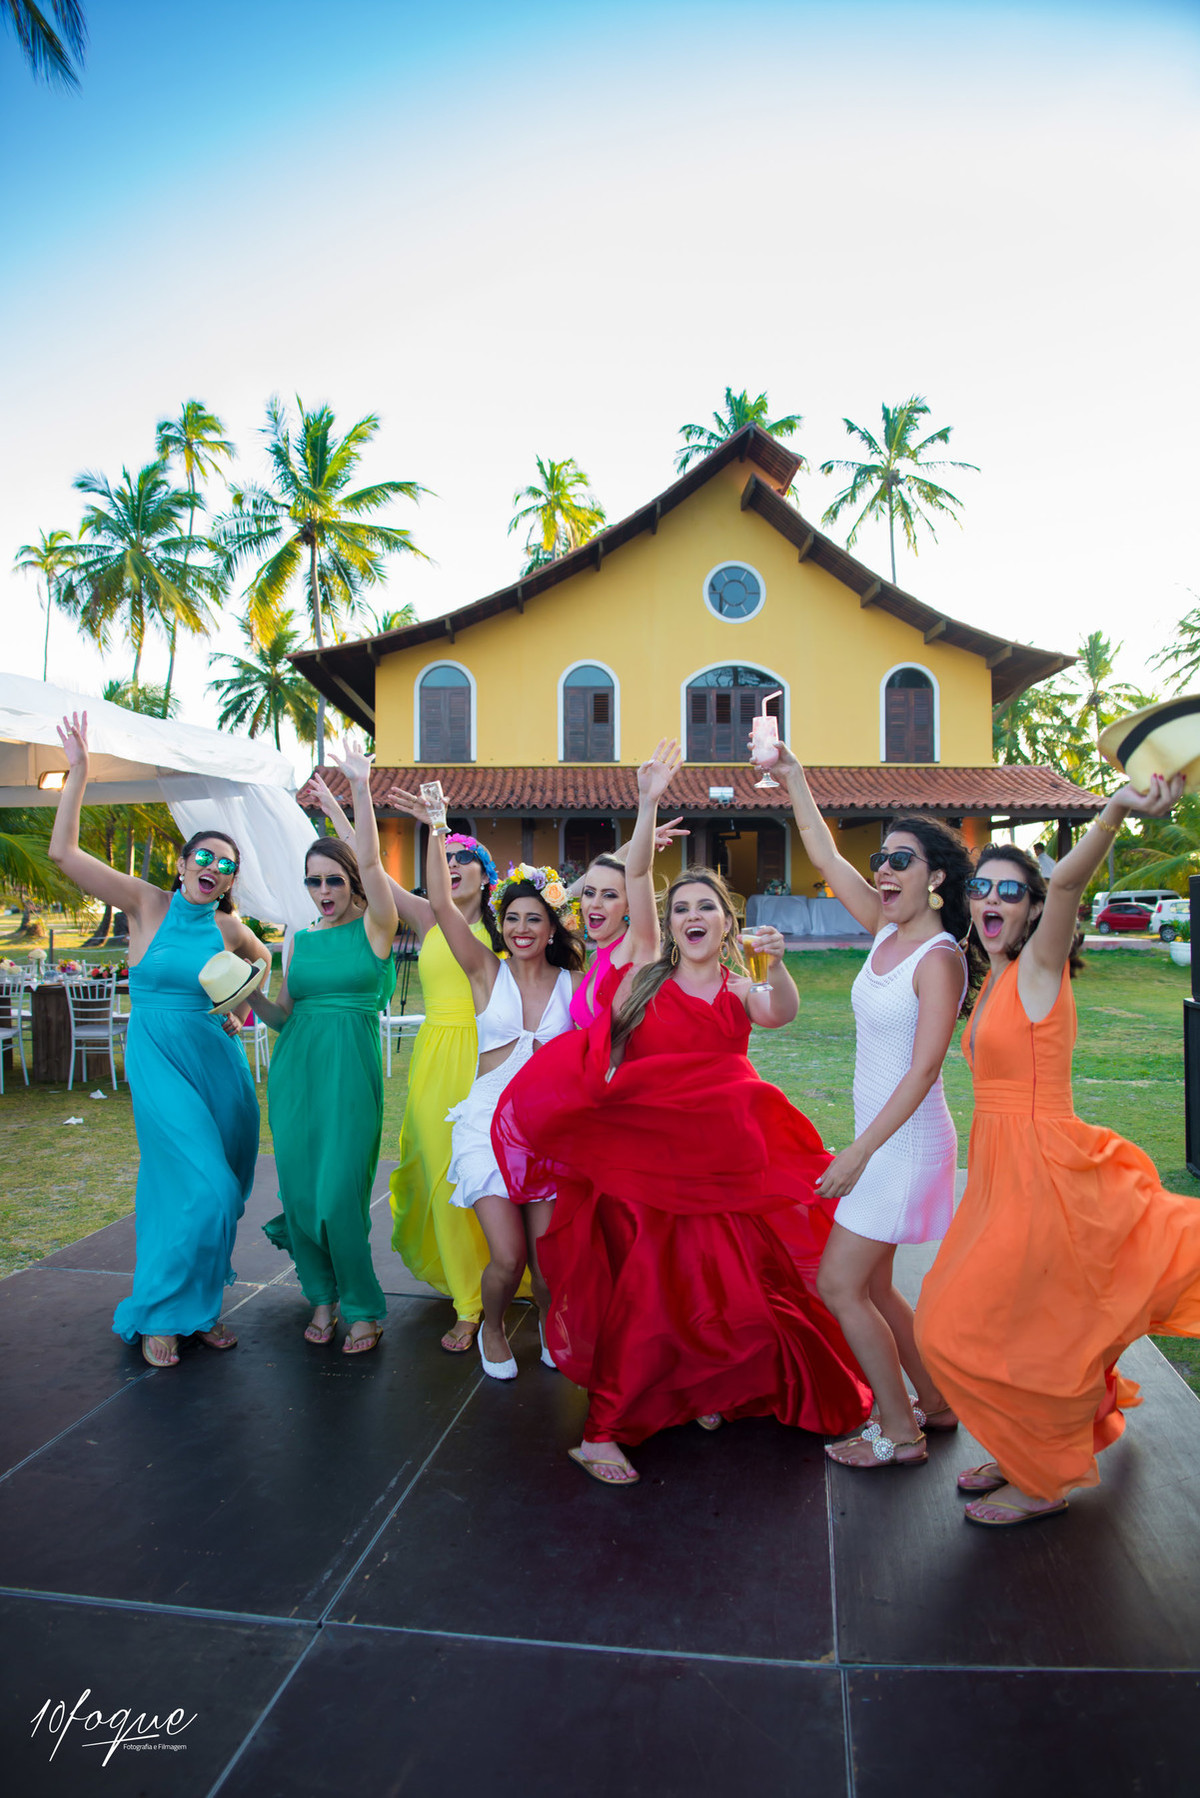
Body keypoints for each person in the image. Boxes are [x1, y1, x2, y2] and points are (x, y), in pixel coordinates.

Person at [492, 868, 872, 1485]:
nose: (692, 917)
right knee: (648, 1291)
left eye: (707, 908)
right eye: (681, 910)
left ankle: (703, 1390)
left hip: (721, 1167)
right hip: (648, 1167)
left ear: (726, 924)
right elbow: (601, 1054)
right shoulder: (644, 982)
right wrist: (579, 1115)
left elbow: (779, 1013)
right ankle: (602, 1434)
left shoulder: (740, 987)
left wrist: (776, 967)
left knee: (721, 1286)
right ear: (670, 927)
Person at [915, 771, 1200, 1525]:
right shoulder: (996, 976)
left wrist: (1111, 814)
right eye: (985, 889)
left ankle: (1044, 1480)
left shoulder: (1039, 965)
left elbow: (1070, 881)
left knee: (949, 1322)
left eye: (1014, 892)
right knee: (1029, 1322)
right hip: (1000, 1172)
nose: (994, 901)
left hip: (1045, 1169)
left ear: (1037, 911)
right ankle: (1029, 1448)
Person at [778, 747, 980, 1471]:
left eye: (901, 861)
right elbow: (826, 854)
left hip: (903, 1146)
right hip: (878, 1143)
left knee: (839, 1283)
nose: (885, 871)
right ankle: (937, 1403)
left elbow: (926, 1070)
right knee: (874, 1286)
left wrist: (858, 1153)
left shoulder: (940, 958)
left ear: (936, 878)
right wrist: (795, 776)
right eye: (884, 859)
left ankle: (899, 1432)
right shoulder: (888, 931)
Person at [48, 712, 263, 1368]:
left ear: (230, 881)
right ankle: (162, 1313)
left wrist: (242, 1013)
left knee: (211, 1188)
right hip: (159, 1060)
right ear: (182, 862)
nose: (213, 867)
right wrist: (79, 772)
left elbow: (259, 963)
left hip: (217, 1066)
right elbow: (64, 854)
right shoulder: (146, 905)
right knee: (206, 1189)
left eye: (225, 866)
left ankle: (198, 1310)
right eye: (204, 856)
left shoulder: (229, 927)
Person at [310, 773, 501, 1353]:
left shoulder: (508, 923)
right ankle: (466, 1281)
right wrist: (344, 810)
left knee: (480, 1176)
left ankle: (474, 1304)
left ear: (486, 874)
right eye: (445, 857)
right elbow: (371, 868)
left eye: (465, 857)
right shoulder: (427, 916)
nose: (453, 865)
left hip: (488, 1057)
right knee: (433, 1171)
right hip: (435, 1056)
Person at [401, 787, 587, 1378]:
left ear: (551, 924)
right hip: (488, 1125)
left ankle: (556, 1333)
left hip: (548, 1130)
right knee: (507, 1259)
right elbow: (440, 900)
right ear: (500, 925)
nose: (522, 928)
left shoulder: (573, 983)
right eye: (512, 918)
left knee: (549, 1263)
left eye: (535, 918)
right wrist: (437, 826)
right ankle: (492, 1326)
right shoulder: (485, 971)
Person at [250, 740, 398, 1353]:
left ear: (354, 881)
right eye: (313, 882)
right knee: (304, 1193)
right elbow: (282, 1014)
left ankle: (363, 1305)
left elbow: (369, 857)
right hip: (296, 1076)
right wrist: (245, 996)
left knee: (340, 1198)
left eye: (333, 879)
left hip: (352, 1074)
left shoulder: (376, 925)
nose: (322, 890)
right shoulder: (298, 939)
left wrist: (357, 789)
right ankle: (322, 1296)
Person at [570, 745, 684, 1028]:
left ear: (629, 905)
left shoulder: (638, 944)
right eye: (589, 894)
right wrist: (629, 848)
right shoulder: (597, 956)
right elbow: (562, 898)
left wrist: (648, 802)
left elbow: (638, 873)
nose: (594, 904)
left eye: (609, 896)